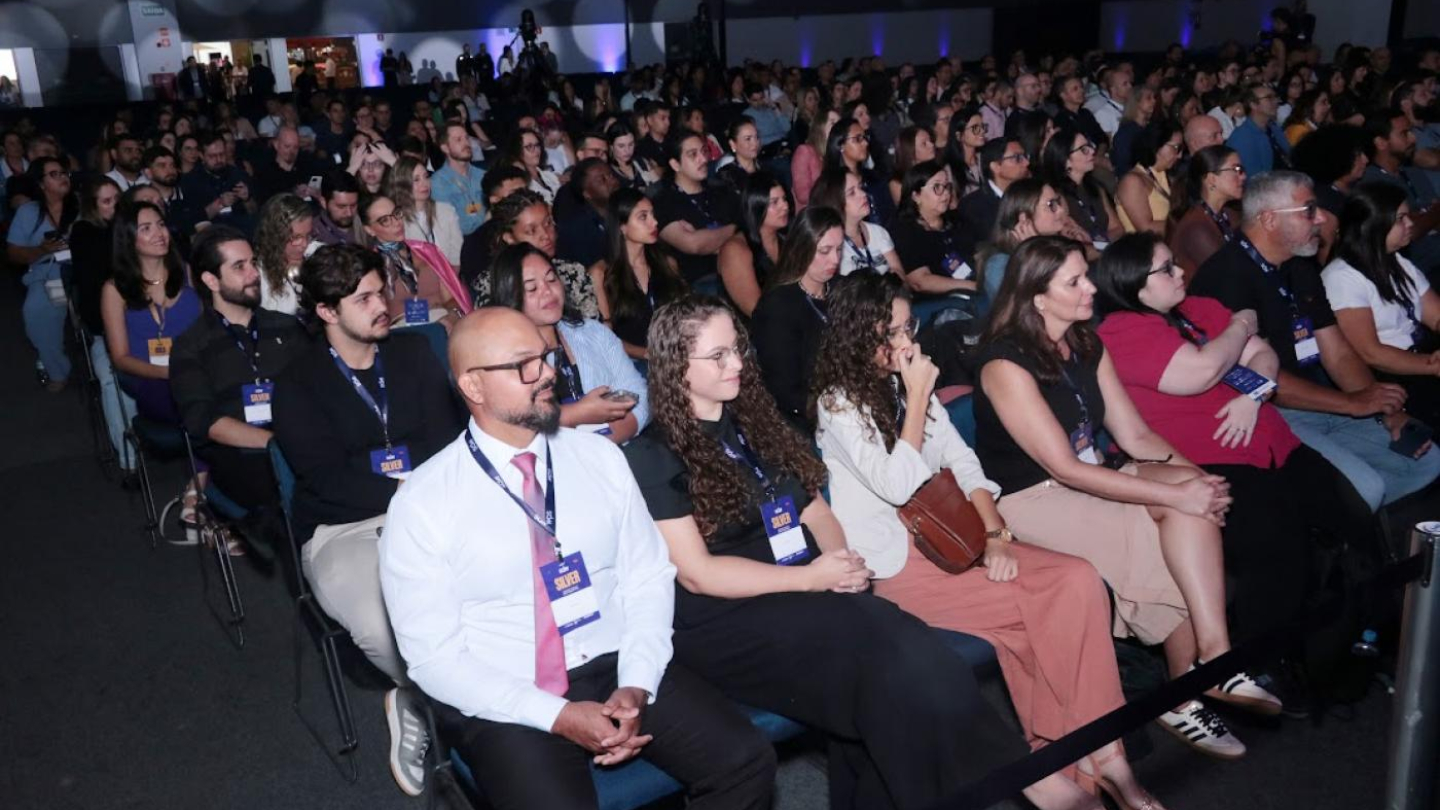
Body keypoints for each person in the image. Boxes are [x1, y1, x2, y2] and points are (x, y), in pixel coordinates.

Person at [623, 295, 1093, 810]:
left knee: (903, 664)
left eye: (737, 350)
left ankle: (1018, 785)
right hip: (726, 620)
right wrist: (811, 579)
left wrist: (840, 562)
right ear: (677, 368)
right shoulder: (652, 454)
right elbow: (698, 575)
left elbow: (817, 513)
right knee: (890, 666)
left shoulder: (755, 424)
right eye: (718, 357)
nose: (736, 364)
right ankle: (1034, 782)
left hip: (806, 591)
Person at [378, 305, 776, 809]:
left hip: (615, 662)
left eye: (544, 357)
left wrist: (637, 681)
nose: (546, 373)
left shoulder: (599, 457)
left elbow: (648, 575)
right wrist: (558, 716)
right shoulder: (424, 502)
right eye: (524, 365)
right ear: (473, 387)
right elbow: (434, 659)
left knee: (745, 760)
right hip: (507, 690)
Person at [811, 272, 1166, 810]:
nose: (909, 343)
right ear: (861, 337)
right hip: (899, 567)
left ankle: (1087, 763)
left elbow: (964, 463)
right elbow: (896, 483)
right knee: (1040, 621)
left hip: (961, 541)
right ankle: (1093, 765)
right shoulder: (837, 404)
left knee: (1076, 580)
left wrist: (998, 535)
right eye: (896, 332)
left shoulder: (906, 385)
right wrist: (915, 397)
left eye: (910, 328)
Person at [975, 235, 1280, 759]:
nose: (1090, 287)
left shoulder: (1086, 343)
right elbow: (1061, 467)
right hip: (1032, 499)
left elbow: (1136, 436)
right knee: (1167, 517)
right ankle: (1196, 682)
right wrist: (1182, 495)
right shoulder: (1004, 364)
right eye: (1074, 282)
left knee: (1190, 497)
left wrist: (1199, 479)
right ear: (1037, 299)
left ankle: (1208, 663)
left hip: (1089, 475)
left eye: (1085, 274)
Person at [1094, 233, 1367, 681]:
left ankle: (1343, 649)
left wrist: (1253, 395)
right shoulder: (1121, 332)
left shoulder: (1196, 309)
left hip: (1272, 442)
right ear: (1134, 285)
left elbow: (1264, 354)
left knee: (1351, 520)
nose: (1180, 271)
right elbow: (1199, 373)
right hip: (1205, 461)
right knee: (1278, 550)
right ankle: (1266, 667)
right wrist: (1240, 325)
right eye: (1166, 269)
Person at [273, 243, 465, 797]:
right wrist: (408, 487)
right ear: (328, 312)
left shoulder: (412, 353)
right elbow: (325, 478)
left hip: (430, 509)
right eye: (364, 299)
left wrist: (416, 494)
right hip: (345, 528)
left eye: (382, 290)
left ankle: (438, 701)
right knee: (385, 630)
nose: (383, 304)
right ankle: (419, 695)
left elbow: (445, 441)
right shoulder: (298, 384)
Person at [1189, 171, 1440, 512]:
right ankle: (1335, 528)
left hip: (1322, 401)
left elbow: (1336, 350)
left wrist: (1382, 408)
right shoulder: (1225, 278)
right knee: (1365, 486)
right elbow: (1264, 382)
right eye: (1309, 210)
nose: (1321, 218)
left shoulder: (1299, 266)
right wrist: (1351, 404)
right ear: (1269, 219)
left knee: (1426, 460)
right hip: (1267, 412)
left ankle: (1346, 525)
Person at [171, 226, 304, 523]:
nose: (254, 273)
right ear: (210, 280)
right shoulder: (190, 346)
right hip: (241, 454)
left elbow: (317, 390)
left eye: (253, 262)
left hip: (298, 440)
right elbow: (204, 422)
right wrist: (275, 443)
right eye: (239, 267)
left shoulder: (286, 327)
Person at [101, 202, 206, 529]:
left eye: (160, 224)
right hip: (154, 383)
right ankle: (203, 492)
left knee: (229, 399)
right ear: (129, 239)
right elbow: (120, 358)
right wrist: (168, 372)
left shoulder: (188, 273)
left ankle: (200, 491)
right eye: (145, 228)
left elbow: (210, 333)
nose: (159, 233)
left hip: (200, 377)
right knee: (212, 408)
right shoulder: (115, 290)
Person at [490, 244, 648, 443]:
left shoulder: (592, 331)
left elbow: (638, 393)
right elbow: (511, 424)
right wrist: (576, 414)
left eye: (551, 279)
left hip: (616, 452)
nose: (548, 291)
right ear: (510, 297)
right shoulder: (502, 359)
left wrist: (606, 443)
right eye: (532, 288)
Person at [1323, 183, 1440, 426]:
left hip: (1423, 357)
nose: (1410, 224)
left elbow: (1436, 315)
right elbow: (1371, 353)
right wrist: (1431, 366)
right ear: (1373, 224)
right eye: (1401, 218)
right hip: (1392, 376)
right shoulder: (1342, 277)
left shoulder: (1396, 261)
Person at [749, 207, 843, 429]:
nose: (835, 259)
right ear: (803, 248)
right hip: (806, 418)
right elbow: (785, 391)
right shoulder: (778, 306)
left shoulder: (841, 290)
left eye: (839, 249)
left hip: (847, 404)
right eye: (825, 251)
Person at [70, 176, 135, 471]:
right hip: (107, 327)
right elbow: (91, 296)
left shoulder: (131, 227)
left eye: (116, 200)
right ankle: (129, 460)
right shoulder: (84, 234)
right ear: (92, 206)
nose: (113, 206)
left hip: (145, 322)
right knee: (111, 381)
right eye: (106, 202)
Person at [653, 132, 752, 309]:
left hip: (740, 266)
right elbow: (694, 244)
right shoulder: (663, 203)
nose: (703, 159)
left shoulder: (720, 190)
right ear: (675, 164)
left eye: (703, 151)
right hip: (701, 280)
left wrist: (712, 237)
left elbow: (747, 229)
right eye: (693, 154)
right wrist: (733, 228)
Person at [7, 157, 76, 392]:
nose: (63, 177)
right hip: (51, 273)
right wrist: (40, 250)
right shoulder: (29, 212)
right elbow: (14, 253)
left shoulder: (82, 205)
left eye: (64, 172)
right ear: (41, 183)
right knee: (39, 312)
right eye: (54, 174)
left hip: (84, 271)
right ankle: (57, 368)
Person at [356, 193, 470, 332]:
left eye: (396, 213)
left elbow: (452, 298)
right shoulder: (369, 266)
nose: (396, 222)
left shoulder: (427, 251)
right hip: (401, 331)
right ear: (369, 230)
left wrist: (452, 317)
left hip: (442, 322)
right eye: (385, 220)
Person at [598, 187, 687, 358]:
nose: (654, 222)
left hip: (676, 354)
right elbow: (607, 337)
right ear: (622, 226)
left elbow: (685, 313)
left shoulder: (667, 263)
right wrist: (647, 354)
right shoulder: (604, 274)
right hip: (634, 361)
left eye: (653, 215)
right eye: (643, 217)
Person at [889, 160, 982, 323]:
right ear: (916, 195)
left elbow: (980, 254)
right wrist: (970, 286)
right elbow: (919, 281)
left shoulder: (957, 220)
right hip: (935, 305)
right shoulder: (903, 229)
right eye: (937, 187)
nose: (946, 194)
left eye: (947, 187)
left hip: (972, 292)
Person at [977, 178, 1070, 303]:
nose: (1060, 210)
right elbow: (1023, 310)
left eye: (1058, 202)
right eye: (1050, 205)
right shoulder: (999, 264)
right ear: (1024, 219)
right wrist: (1032, 254)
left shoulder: (1056, 244)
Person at [1169, 145, 1245, 282]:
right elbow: (1228, 276)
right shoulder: (1196, 228)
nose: (1243, 176)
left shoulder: (1228, 214)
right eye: (1236, 170)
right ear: (1212, 179)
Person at [811, 166, 900, 278]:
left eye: (861, 187)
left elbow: (900, 276)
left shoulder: (878, 232)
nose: (863, 194)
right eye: (852, 193)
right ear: (835, 202)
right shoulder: (829, 244)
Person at [1042, 128, 1124, 250]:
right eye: (1084, 150)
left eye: (1089, 146)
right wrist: (1101, 245)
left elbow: (1118, 229)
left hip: (1108, 254)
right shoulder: (1057, 197)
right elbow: (1073, 245)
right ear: (1066, 161)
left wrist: (1098, 244)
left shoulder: (1096, 187)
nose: (1092, 151)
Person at [385, 155, 464, 267]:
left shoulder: (446, 211)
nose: (424, 183)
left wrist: (448, 280)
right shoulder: (397, 221)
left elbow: (457, 256)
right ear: (402, 184)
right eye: (416, 179)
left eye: (426, 176)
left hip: (451, 277)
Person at [1116, 122, 1183, 237]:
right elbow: (1145, 229)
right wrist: (1186, 224)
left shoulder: (1165, 175)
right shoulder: (1132, 182)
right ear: (1156, 146)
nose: (1180, 155)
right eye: (1176, 147)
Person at [180, 132, 255, 233]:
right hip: (213, 234)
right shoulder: (191, 181)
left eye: (222, 154)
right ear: (201, 155)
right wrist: (219, 204)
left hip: (242, 230)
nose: (218, 160)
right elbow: (192, 221)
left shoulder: (237, 173)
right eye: (212, 156)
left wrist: (247, 198)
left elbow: (254, 210)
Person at [254, 194, 315, 316]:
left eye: (308, 235)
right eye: (296, 237)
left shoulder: (317, 252)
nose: (304, 244)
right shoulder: (257, 273)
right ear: (275, 236)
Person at [556, 158, 618, 270]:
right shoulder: (578, 229)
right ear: (586, 193)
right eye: (602, 180)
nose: (612, 181)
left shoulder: (624, 211)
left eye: (610, 175)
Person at [430, 122, 488, 237]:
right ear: (445, 148)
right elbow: (451, 227)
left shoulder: (483, 175)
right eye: (458, 140)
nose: (466, 143)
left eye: (467, 138)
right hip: (463, 244)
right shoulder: (438, 182)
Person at [1226, 84, 1291, 175]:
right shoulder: (1242, 138)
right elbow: (1252, 180)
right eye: (1269, 98)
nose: (1276, 101)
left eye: (1275, 97)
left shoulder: (1274, 128)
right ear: (1253, 105)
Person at [254, 126, 318, 204]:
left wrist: (314, 191)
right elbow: (268, 202)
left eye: (295, 147)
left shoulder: (307, 165)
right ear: (276, 144)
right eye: (287, 146)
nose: (291, 151)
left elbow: (317, 185)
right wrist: (294, 192)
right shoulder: (265, 171)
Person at [791, 108, 839, 208]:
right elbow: (803, 195)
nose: (838, 128)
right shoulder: (805, 151)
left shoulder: (836, 154)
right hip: (813, 214)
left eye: (839, 124)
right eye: (833, 123)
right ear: (820, 127)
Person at [1110, 86, 1159, 176]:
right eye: (1148, 98)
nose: (1154, 101)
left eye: (1154, 97)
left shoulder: (1152, 127)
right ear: (1136, 102)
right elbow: (1123, 166)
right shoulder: (1126, 133)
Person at [606, 122, 659, 192]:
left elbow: (659, 189)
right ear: (611, 147)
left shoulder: (642, 162)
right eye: (621, 146)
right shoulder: (608, 172)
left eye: (631, 144)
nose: (627, 150)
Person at [313, 170, 361, 246]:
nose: (349, 213)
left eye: (353, 205)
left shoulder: (366, 226)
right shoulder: (311, 233)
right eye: (341, 206)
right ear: (323, 203)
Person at [1085, 69, 1131, 138]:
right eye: (1125, 84)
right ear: (1113, 89)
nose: (1130, 86)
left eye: (1130, 83)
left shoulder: (1133, 106)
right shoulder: (1103, 114)